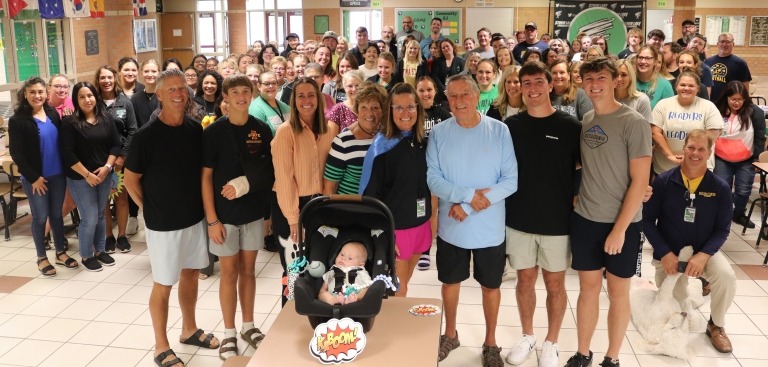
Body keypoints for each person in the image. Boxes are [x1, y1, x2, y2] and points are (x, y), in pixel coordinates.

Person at [125, 68, 220, 367]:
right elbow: (130, 180)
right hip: (163, 224)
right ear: (160, 97)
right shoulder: (145, 137)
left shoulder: (195, 130)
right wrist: (149, 207)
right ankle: (160, 345)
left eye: (182, 89)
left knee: (191, 273)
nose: (179, 94)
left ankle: (189, 329)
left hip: (193, 219)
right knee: (163, 283)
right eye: (171, 90)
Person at [426, 74, 518, 366]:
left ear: (478, 96)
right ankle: (450, 334)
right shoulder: (440, 133)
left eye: (465, 94)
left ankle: (491, 342)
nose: (459, 101)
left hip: (489, 228)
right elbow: (432, 179)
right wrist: (466, 196)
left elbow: (510, 181)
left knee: (491, 285)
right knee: (450, 281)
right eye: (452, 96)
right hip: (452, 227)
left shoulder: (499, 130)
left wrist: (468, 205)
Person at [566, 57, 651, 367]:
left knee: (618, 292)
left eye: (601, 77)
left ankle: (612, 357)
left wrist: (619, 229)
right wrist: (577, 193)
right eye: (588, 79)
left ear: (615, 80)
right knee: (587, 291)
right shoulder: (587, 119)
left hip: (623, 225)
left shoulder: (634, 122)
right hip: (587, 219)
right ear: (582, 83)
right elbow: (586, 165)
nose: (594, 84)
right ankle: (582, 352)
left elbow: (641, 180)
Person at [503, 61, 581, 367]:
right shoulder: (511, 127)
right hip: (519, 217)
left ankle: (552, 341)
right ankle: (528, 335)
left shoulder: (570, 127)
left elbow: (584, 169)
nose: (533, 89)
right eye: (526, 84)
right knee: (524, 281)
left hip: (557, 219)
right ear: (519, 89)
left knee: (555, 285)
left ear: (550, 85)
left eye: (538, 82)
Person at [643, 129, 737, 354]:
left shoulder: (720, 188)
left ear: (709, 152)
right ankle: (686, 295)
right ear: (683, 149)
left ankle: (716, 325)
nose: (695, 153)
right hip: (670, 256)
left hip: (703, 252)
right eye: (691, 148)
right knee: (678, 306)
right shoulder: (664, 182)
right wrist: (664, 253)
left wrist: (704, 255)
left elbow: (723, 228)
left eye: (701, 149)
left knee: (726, 277)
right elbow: (646, 221)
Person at [202, 74, 272, 360]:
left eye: (246, 91)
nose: (241, 96)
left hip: (254, 212)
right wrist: (212, 220)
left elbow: (268, 174)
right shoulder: (213, 133)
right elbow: (205, 178)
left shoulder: (262, 129)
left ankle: (248, 325)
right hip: (224, 216)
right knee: (228, 273)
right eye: (235, 92)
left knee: (248, 271)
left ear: (252, 94)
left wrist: (266, 214)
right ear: (226, 98)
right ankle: (229, 332)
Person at [359, 83, 433, 299]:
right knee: (399, 289)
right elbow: (370, 196)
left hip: (420, 224)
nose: (405, 113)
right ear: (389, 110)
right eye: (398, 107)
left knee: (404, 283)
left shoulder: (422, 141)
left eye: (410, 107)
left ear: (418, 109)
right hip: (397, 229)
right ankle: (395, 330)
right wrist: (385, 234)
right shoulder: (381, 147)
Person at [272, 77, 339, 305]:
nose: (306, 100)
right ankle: (289, 319)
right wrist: (293, 219)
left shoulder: (330, 129)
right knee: (294, 271)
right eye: (301, 96)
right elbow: (284, 179)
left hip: (321, 207)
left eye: (311, 95)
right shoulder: (285, 132)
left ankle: (316, 317)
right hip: (292, 206)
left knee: (319, 266)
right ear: (293, 101)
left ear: (319, 99)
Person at [9, 77, 76, 276]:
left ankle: (60, 253)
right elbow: (17, 153)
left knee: (56, 215)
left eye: (40, 92)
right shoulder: (18, 120)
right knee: (40, 217)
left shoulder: (52, 113)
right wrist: (33, 178)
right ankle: (41, 257)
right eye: (32, 92)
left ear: (46, 93)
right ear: (25, 95)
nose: (37, 96)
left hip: (58, 175)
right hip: (37, 179)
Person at [60, 82, 122, 272]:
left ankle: (100, 250)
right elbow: (67, 153)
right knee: (89, 217)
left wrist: (107, 168)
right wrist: (87, 175)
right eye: (82, 96)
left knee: (101, 214)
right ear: (76, 100)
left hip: (103, 174)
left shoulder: (106, 118)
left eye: (90, 96)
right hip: (80, 178)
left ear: (96, 97)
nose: (87, 100)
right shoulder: (69, 123)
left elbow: (115, 145)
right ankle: (86, 254)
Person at [95, 65, 137, 254]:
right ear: (98, 80)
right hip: (99, 160)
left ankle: (121, 236)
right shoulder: (93, 102)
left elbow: (133, 130)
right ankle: (108, 236)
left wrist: (122, 156)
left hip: (121, 160)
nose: (106, 81)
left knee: (121, 198)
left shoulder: (124, 102)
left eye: (109, 77)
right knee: (102, 200)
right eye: (102, 78)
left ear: (115, 79)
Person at [713, 81, 766, 228]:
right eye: (733, 99)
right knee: (723, 188)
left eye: (740, 99)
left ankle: (738, 215)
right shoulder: (717, 110)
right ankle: (724, 214)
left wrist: (756, 158)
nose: (736, 103)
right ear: (726, 98)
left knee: (743, 191)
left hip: (746, 159)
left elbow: (760, 136)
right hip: (721, 158)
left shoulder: (755, 112)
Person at [651, 71, 723, 176]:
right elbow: (655, 133)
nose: (686, 88)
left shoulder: (708, 107)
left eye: (691, 86)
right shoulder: (663, 105)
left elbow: (713, 135)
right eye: (683, 85)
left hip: (699, 167)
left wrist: (692, 156)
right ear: (676, 86)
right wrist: (670, 156)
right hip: (665, 168)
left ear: (698, 88)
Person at [324, 82, 387, 195]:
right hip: (350, 209)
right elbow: (330, 187)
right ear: (357, 110)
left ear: (383, 110)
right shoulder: (343, 142)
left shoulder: (389, 137)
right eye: (363, 107)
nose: (369, 113)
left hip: (382, 209)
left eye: (375, 107)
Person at [705, 33, 752, 102]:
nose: (724, 44)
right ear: (717, 44)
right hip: (710, 103)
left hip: (729, 104)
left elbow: (745, 88)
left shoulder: (740, 63)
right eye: (722, 41)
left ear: (733, 44)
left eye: (728, 42)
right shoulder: (708, 62)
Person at [249, 71, 290, 135]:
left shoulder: (286, 107)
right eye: (266, 84)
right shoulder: (255, 109)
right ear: (259, 86)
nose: (271, 86)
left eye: (274, 83)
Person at [614, 59, 652, 123]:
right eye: (616, 75)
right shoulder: (605, 99)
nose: (619, 79)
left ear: (631, 77)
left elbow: (646, 129)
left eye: (624, 75)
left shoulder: (641, 100)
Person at [132, 59, 161, 128]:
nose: (150, 74)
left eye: (153, 71)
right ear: (141, 73)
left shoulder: (166, 96)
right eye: (146, 71)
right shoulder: (135, 98)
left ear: (159, 72)